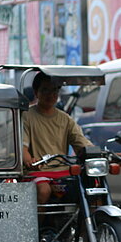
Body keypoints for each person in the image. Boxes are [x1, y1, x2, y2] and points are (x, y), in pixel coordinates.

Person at [22, 72, 95, 203]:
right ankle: (38, 224)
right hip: (38, 172)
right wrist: (29, 161)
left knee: (89, 187)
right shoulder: (26, 116)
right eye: (45, 90)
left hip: (63, 171)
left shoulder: (65, 119)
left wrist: (105, 155)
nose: (51, 94)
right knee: (44, 191)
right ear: (36, 92)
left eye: (54, 90)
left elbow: (81, 144)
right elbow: (22, 148)